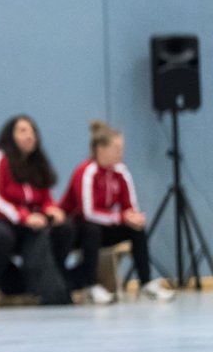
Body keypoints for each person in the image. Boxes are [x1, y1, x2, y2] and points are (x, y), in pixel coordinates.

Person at [0, 115, 73, 308]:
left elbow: (44, 199)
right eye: (23, 131)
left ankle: (53, 284)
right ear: (9, 135)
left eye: (33, 131)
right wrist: (25, 217)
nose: (30, 136)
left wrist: (52, 211)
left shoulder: (36, 165)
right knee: (1, 235)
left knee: (64, 229)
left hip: (17, 226)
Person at [61, 120, 174, 304]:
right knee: (92, 229)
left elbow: (129, 206)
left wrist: (133, 217)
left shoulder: (121, 172)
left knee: (136, 228)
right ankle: (90, 286)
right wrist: (122, 217)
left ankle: (146, 283)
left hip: (103, 226)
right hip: (78, 231)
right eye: (116, 148)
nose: (121, 153)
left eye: (122, 148)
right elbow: (88, 212)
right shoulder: (86, 172)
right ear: (101, 149)